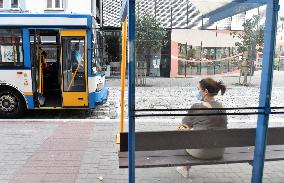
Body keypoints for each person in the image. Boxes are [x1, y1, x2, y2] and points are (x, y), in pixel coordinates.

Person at [176, 77, 228, 178]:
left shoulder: (197, 107)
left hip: (201, 152)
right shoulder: (222, 107)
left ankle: (184, 167)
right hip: (219, 151)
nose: (197, 92)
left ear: (205, 91)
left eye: (198, 89)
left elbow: (185, 125)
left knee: (183, 136)